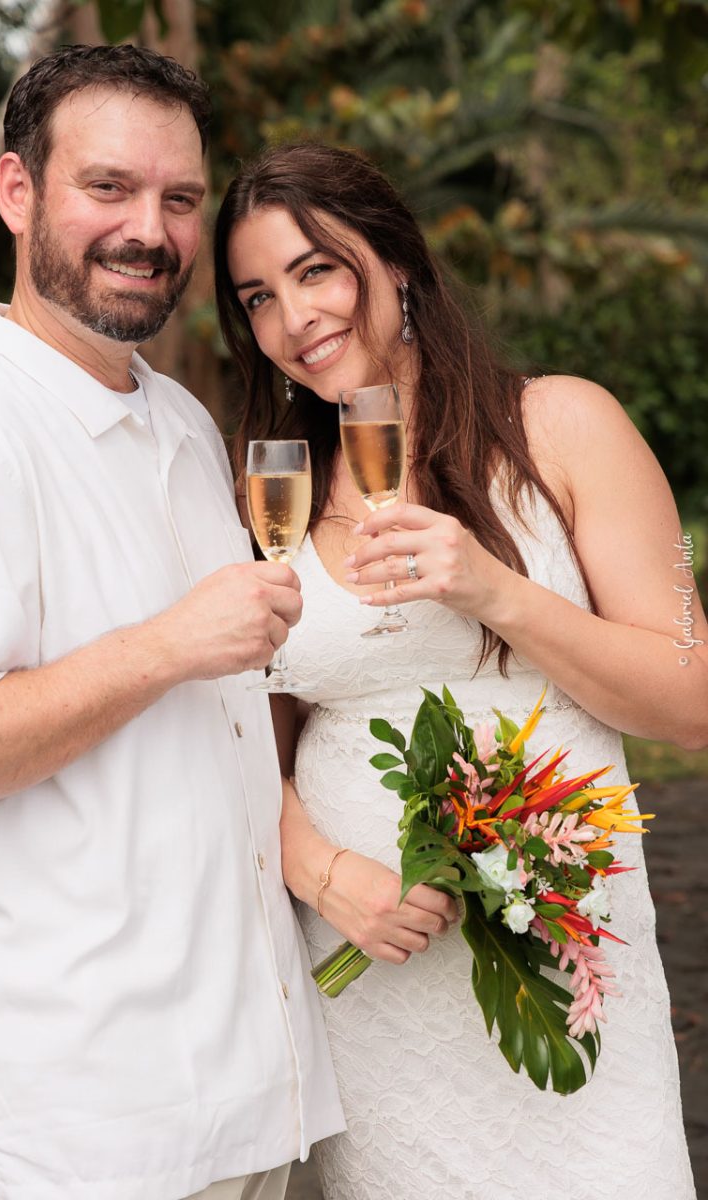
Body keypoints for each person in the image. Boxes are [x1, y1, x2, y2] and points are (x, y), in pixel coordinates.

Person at [212, 141, 706, 1200]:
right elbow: (247, 741)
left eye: (314, 270)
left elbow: (690, 700)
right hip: (373, 991)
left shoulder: (561, 425)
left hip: (570, 967)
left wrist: (494, 591)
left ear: (394, 263)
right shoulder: (274, 489)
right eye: (256, 296)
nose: (291, 319)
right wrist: (321, 875)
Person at [0, 49, 345, 1200]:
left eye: (180, 198)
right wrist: (167, 644)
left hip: (256, 1100)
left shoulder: (189, 427)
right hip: (84, 1132)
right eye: (107, 187)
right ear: (17, 193)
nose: (147, 229)